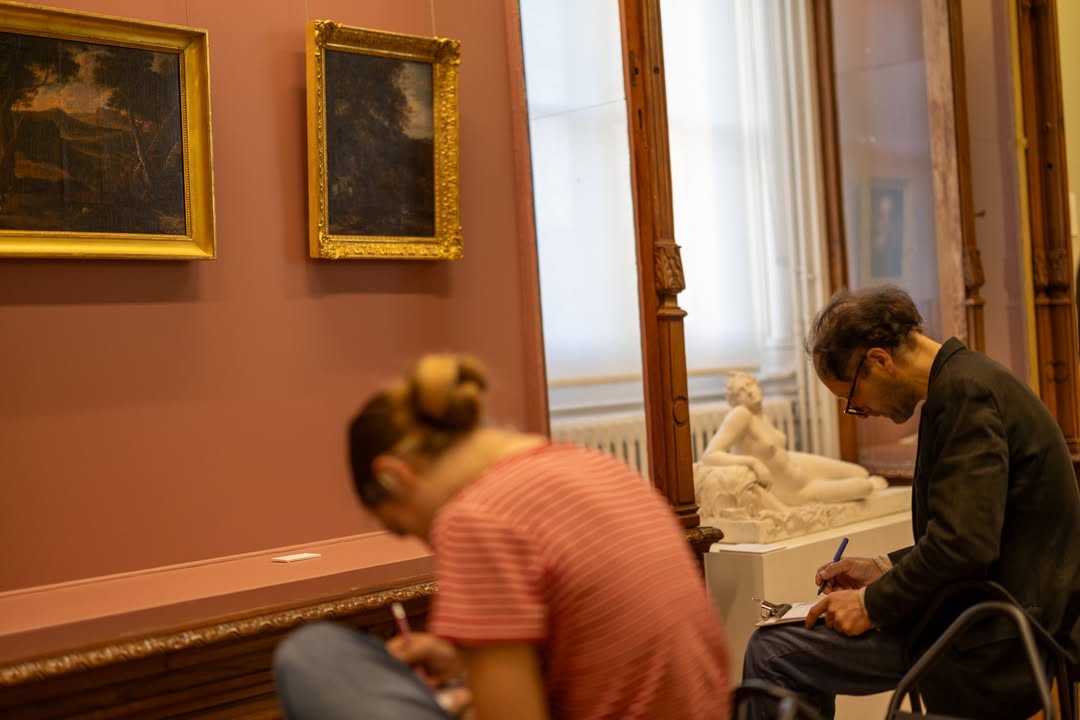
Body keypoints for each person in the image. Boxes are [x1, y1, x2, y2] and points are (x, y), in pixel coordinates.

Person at [273, 353, 732, 720]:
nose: (428, 544)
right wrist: (465, 668)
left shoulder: (477, 518)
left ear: (394, 476)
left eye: (405, 527)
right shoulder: (593, 465)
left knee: (313, 654)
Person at [740, 285, 1080, 720]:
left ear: (879, 360)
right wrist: (883, 566)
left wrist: (870, 604)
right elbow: (973, 533)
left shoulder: (964, 394)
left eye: (851, 398)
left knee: (773, 652)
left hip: (994, 638)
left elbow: (964, 546)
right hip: (990, 619)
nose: (859, 410)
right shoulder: (966, 381)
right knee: (779, 647)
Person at [701, 371, 887, 506]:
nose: (749, 392)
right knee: (864, 486)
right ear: (734, 401)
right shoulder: (740, 415)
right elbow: (709, 455)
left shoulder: (761, 415)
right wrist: (753, 463)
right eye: (741, 391)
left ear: (757, 385)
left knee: (860, 472)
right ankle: (863, 486)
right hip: (794, 491)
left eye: (749, 385)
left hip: (798, 466)